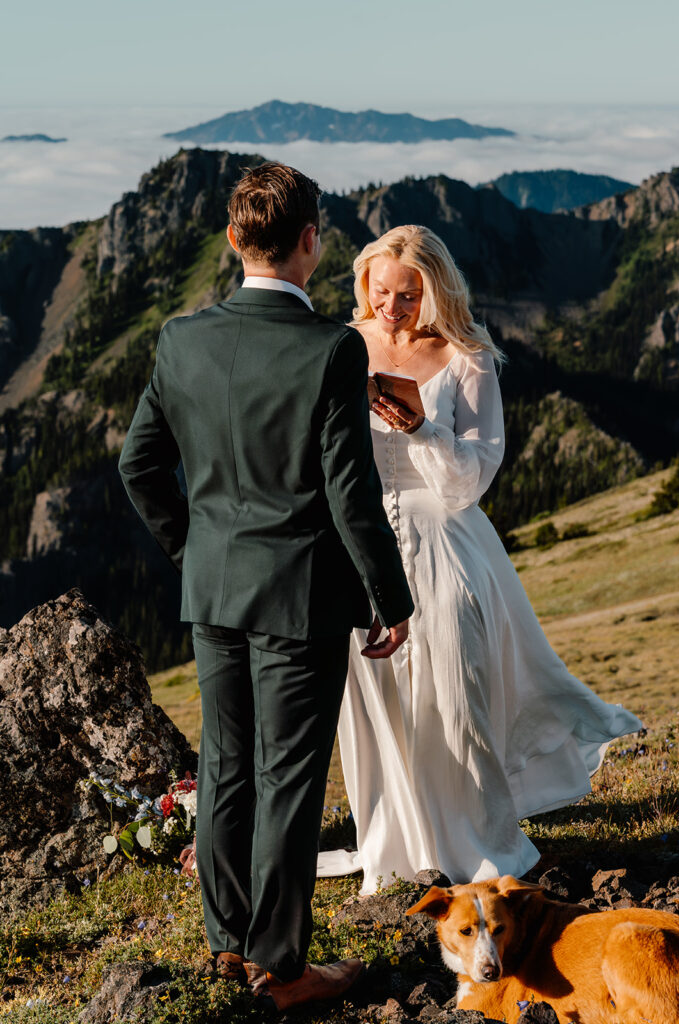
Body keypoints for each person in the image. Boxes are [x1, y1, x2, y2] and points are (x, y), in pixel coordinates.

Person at [118, 163, 415, 1011]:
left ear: (231, 239)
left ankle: (225, 945)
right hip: (299, 598)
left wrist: (194, 548)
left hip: (213, 591)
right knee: (287, 777)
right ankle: (281, 969)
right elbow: (349, 494)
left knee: (226, 767)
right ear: (312, 243)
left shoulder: (180, 339)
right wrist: (388, 599)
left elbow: (138, 465)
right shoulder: (331, 348)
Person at [317, 224, 641, 895]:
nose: (392, 308)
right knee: (376, 700)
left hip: (445, 546)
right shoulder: (342, 347)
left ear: (434, 291)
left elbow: (471, 481)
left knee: (452, 696)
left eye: (407, 296)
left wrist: (421, 427)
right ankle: (395, 849)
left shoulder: (466, 358)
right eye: (381, 292)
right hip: (360, 544)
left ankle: (475, 842)